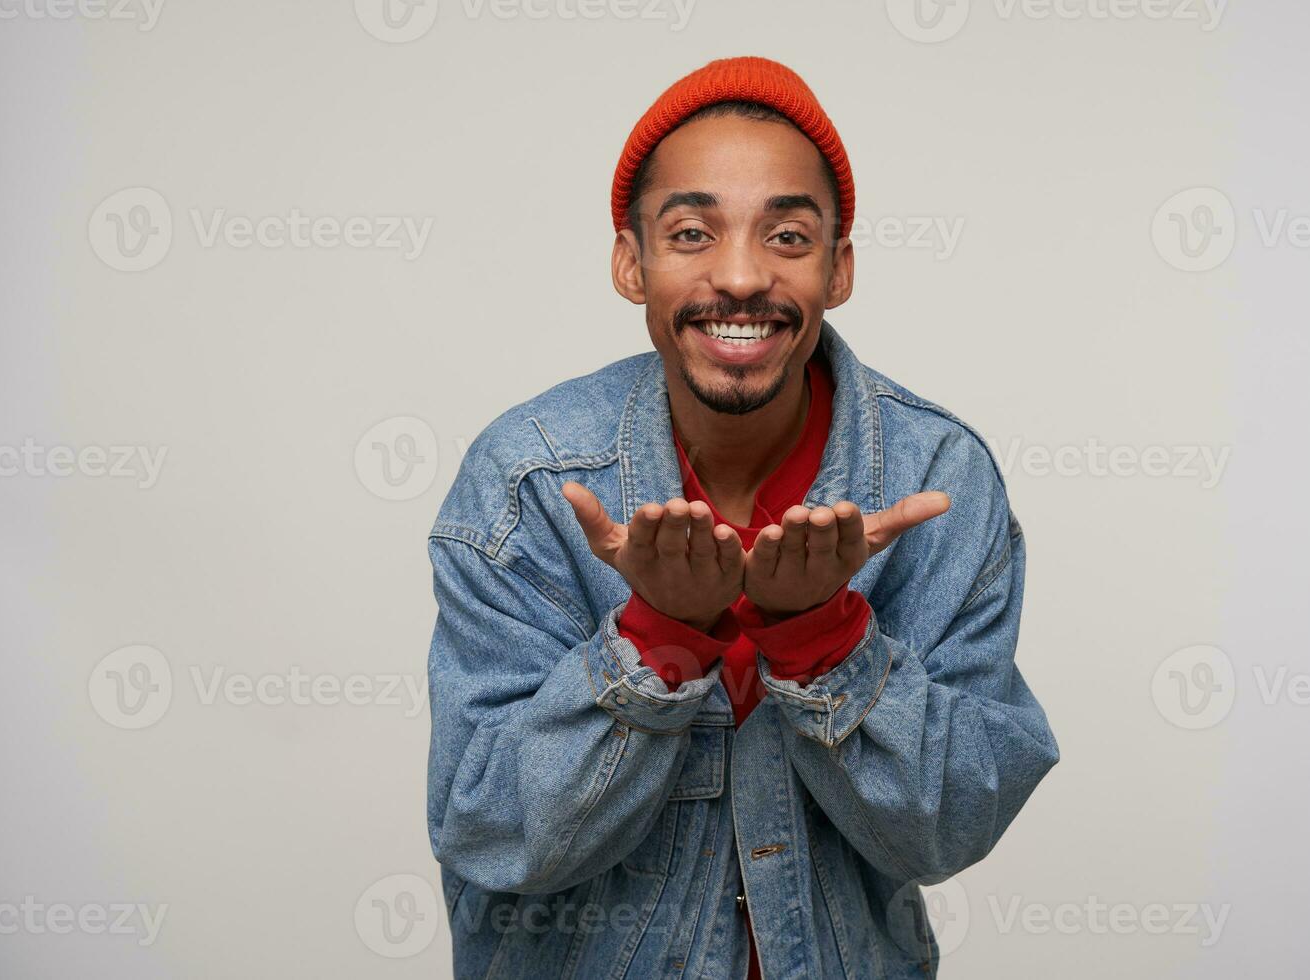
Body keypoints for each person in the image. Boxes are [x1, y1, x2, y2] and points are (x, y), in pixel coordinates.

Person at [425, 55, 1059, 979]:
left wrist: (826, 637)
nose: (740, 275)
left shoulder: (936, 477)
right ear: (629, 261)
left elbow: (950, 829)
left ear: (839, 269)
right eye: (690, 232)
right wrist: (656, 640)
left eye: (788, 237)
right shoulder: (527, 479)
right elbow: (489, 831)